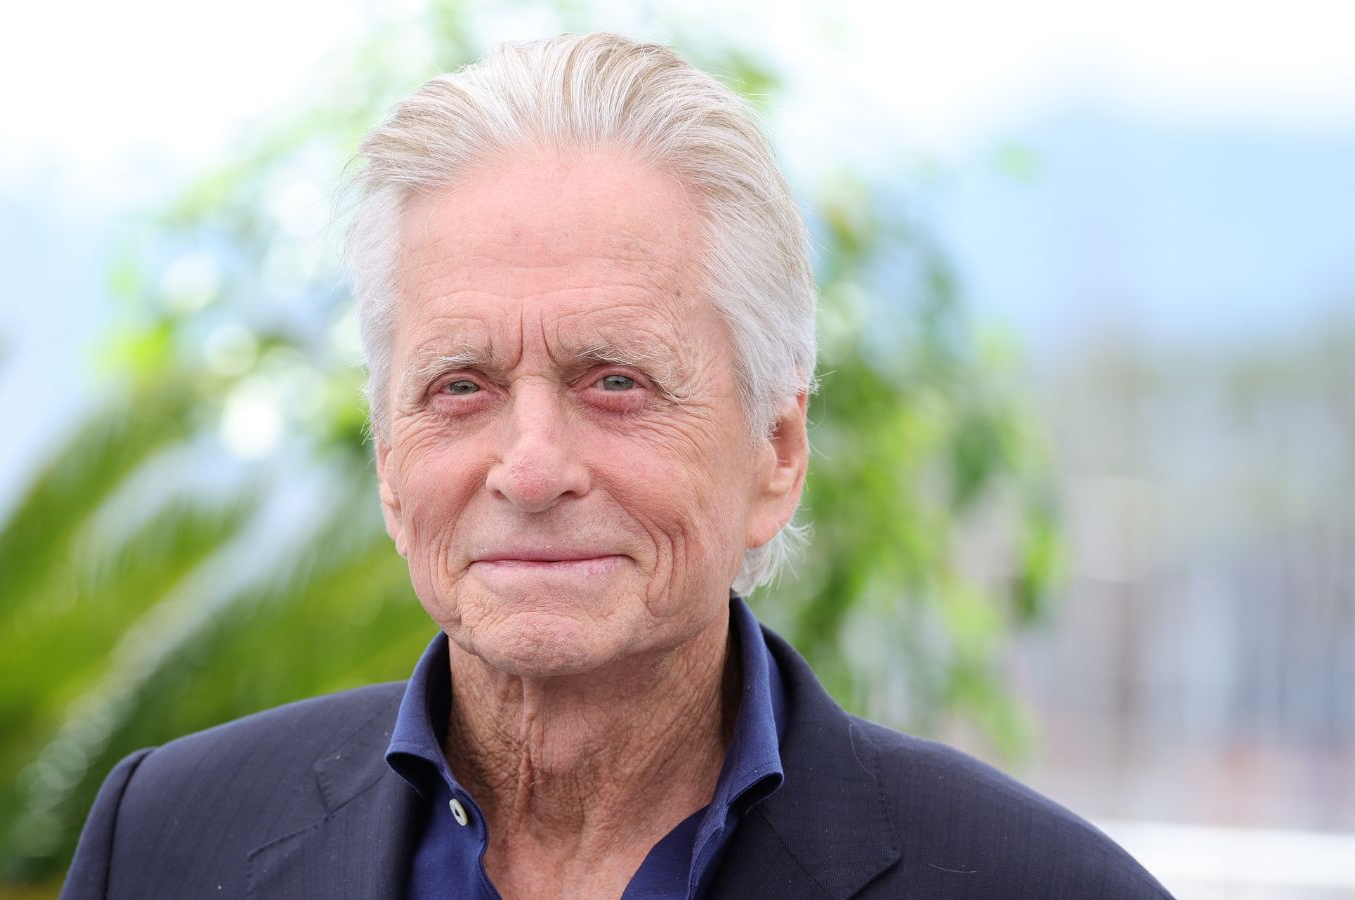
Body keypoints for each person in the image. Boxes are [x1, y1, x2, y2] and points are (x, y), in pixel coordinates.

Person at [61, 32, 1172, 899]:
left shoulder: (1042, 886)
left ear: (776, 453)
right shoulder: (164, 840)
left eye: (615, 382)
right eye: (461, 387)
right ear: (391, 466)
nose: (531, 469)